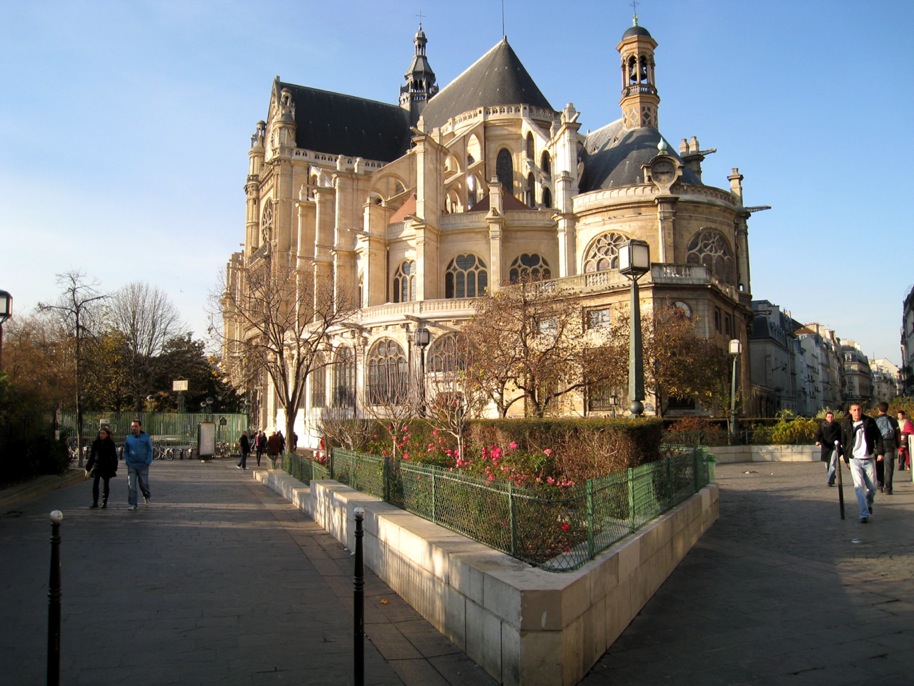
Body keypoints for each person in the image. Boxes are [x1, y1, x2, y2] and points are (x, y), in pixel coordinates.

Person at [840, 403, 884, 523]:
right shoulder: (846, 424)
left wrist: (880, 453)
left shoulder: (869, 421)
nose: (857, 412)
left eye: (859, 410)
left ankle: (868, 503)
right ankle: (864, 513)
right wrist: (846, 459)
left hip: (868, 458)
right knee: (858, 486)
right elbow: (844, 443)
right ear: (850, 411)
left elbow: (878, 437)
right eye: (854, 410)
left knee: (872, 487)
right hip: (855, 459)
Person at [123, 419, 153, 511]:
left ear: (140, 427)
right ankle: (132, 503)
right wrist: (127, 461)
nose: (134, 428)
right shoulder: (129, 438)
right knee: (131, 485)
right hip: (132, 465)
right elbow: (126, 451)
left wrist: (148, 461)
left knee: (143, 484)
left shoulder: (145, 437)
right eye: (132, 426)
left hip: (143, 464)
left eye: (136, 426)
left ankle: (146, 495)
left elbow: (150, 450)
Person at [85, 427, 118, 509]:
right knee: (95, 484)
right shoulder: (96, 443)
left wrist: (114, 467)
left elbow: (114, 456)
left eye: (103, 433)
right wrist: (88, 467)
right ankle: (95, 502)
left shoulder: (110, 443)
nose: (101, 435)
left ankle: (104, 502)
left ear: (107, 435)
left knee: (106, 484)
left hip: (107, 466)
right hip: (97, 466)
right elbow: (92, 456)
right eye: (100, 433)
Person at [874, 402, 899, 495]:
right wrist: (897, 445)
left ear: (878, 409)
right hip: (890, 445)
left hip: (878, 446)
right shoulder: (893, 420)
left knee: (879, 466)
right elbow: (898, 434)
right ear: (887, 409)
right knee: (889, 468)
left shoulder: (874, 420)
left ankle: (880, 485)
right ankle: (888, 488)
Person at [815, 411, 842, 487]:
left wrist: (842, 443)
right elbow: (818, 434)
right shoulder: (822, 425)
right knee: (827, 465)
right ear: (826, 418)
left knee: (832, 463)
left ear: (833, 417)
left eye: (831, 417)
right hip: (825, 446)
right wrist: (817, 441)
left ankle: (830, 480)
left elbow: (841, 435)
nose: (830, 418)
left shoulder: (837, 426)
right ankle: (832, 476)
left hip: (834, 446)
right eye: (828, 417)